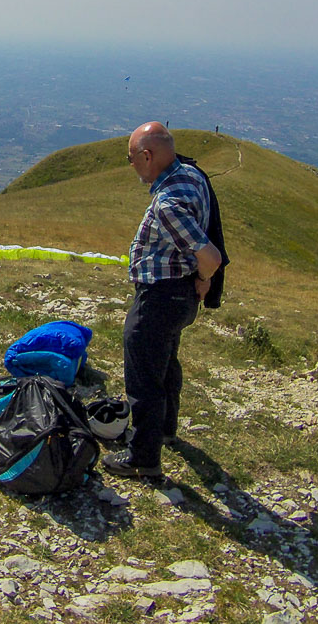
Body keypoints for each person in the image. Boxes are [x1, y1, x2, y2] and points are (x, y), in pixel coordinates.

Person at [105, 122, 226, 479]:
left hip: (161, 296)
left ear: (147, 155)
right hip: (180, 296)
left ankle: (143, 458)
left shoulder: (167, 204)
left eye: (131, 158)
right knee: (166, 364)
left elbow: (210, 256)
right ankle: (166, 429)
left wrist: (205, 278)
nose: (131, 166)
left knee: (143, 378)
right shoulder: (192, 173)